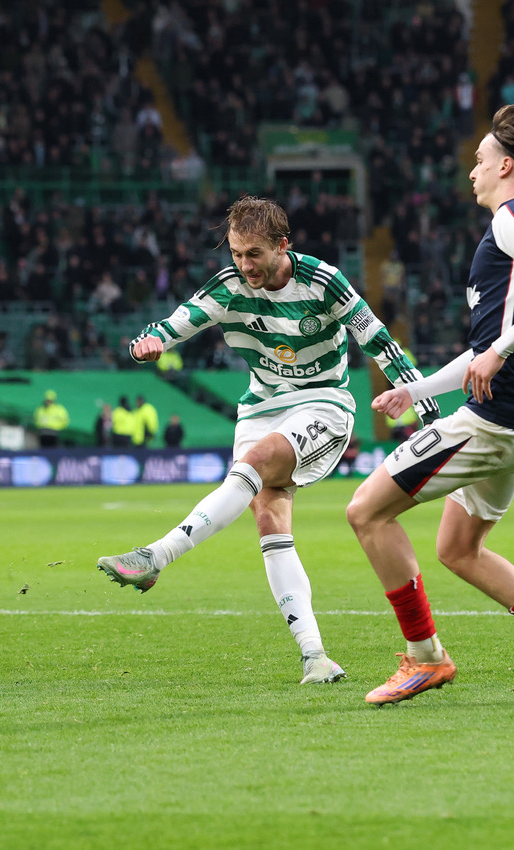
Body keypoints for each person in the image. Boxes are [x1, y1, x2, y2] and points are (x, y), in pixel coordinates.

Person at [97, 196, 439, 685]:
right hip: (261, 405)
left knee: (257, 463)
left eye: (253, 253)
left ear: (283, 245)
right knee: (269, 518)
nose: (243, 265)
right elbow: (173, 324)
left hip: (323, 401)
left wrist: (419, 394)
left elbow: (376, 338)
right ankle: (315, 657)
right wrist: (147, 344)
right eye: (236, 253)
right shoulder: (229, 286)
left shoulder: (323, 281)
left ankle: (156, 556)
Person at [345, 105, 514, 705]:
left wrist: (499, 351)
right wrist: (418, 391)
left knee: (366, 511)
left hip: (496, 419)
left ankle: (424, 659)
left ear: (506, 166)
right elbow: (482, 351)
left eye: (480, 159)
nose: (473, 169)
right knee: (458, 550)